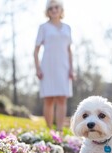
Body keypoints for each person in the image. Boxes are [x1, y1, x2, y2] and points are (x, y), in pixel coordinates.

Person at [34, 0, 74, 131]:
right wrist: (38, 68)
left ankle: (60, 131)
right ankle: (49, 130)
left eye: (56, 7)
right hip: (48, 68)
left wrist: (72, 69)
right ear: (48, 11)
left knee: (62, 98)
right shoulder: (43, 27)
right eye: (51, 8)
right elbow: (36, 50)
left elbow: (69, 50)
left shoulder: (67, 28)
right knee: (49, 99)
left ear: (61, 9)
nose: (54, 10)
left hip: (64, 67)